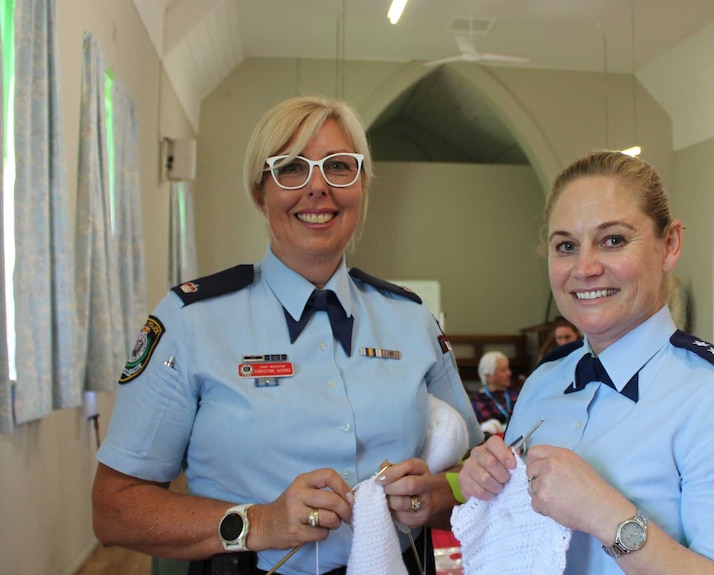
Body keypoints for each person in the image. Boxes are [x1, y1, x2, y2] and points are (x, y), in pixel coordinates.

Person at [91, 95, 483, 575]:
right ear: (261, 193)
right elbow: (114, 509)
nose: (317, 188)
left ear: (361, 187)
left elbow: (474, 470)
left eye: (339, 167)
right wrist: (255, 523)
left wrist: (439, 494)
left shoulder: (411, 319)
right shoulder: (190, 321)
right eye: (291, 169)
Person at [458, 150, 714, 574]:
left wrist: (608, 516)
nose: (585, 267)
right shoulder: (544, 382)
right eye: (566, 246)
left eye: (613, 240)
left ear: (669, 244)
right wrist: (485, 483)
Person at [470, 351, 518, 434]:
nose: (509, 373)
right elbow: (488, 429)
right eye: (503, 370)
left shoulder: (515, 394)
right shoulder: (479, 400)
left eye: (508, 369)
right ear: (488, 376)